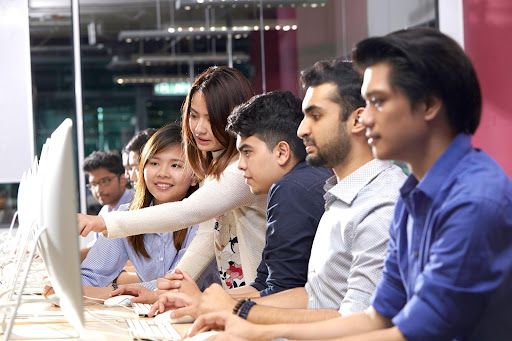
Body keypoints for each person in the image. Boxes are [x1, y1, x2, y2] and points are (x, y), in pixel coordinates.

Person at [188, 28, 512, 341]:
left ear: (428, 105)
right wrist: (252, 326)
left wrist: (252, 322)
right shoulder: (413, 194)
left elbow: (408, 332)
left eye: (378, 102)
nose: (366, 118)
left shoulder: (473, 200)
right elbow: (376, 317)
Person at [153, 60, 406, 323]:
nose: (302, 129)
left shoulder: (379, 204)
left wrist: (238, 314)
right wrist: (211, 305)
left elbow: (359, 323)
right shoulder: (339, 194)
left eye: (316, 116)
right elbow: (311, 296)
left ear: (358, 119)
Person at [77, 67, 268, 295]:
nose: (199, 128)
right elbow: (207, 239)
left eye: (211, 117)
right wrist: (163, 292)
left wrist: (105, 223)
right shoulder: (215, 172)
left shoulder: (241, 170)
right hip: (239, 299)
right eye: (194, 116)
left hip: (262, 297)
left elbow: (188, 211)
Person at [148, 91, 331, 315]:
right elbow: (265, 285)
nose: (241, 165)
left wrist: (209, 306)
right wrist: (197, 300)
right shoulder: (303, 179)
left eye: (247, 153)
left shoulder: (290, 189)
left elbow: (282, 292)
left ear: (282, 152)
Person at [44, 123, 218, 301]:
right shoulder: (125, 215)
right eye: (154, 163)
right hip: (145, 315)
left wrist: (111, 292)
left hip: (198, 318)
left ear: (195, 176)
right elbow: (92, 275)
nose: (162, 173)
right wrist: (67, 286)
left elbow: (177, 285)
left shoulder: (204, 219)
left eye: (176, 166)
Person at [80, 150, 134, 261]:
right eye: (93, 184)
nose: (98, 189)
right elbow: (95, 246)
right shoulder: (105, 210)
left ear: (123, 180)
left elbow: (116, 254)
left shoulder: (135, 206)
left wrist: (72, 256)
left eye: (104, 181)